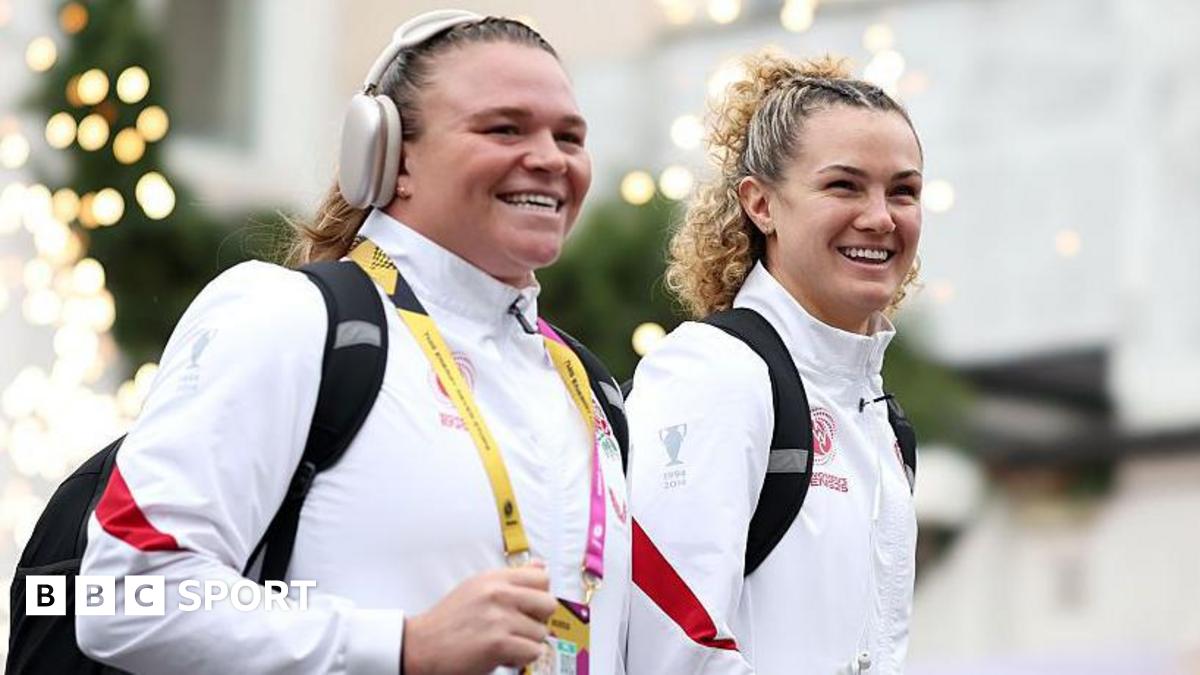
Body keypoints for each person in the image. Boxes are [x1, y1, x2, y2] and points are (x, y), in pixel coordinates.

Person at [76, 11, 630, 675]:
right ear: (389, 158)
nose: (548, 158)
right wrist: (401, 645)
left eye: (569, 136)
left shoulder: (589, 389)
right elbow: (122, 596)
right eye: (504, 128)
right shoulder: (288, 317)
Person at [624, 51, 924, 675]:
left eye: (904, 191)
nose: (880, 217)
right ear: (761, 205)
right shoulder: (713, 372)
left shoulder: (881, 420)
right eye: (843, 185)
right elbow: (671, 649)